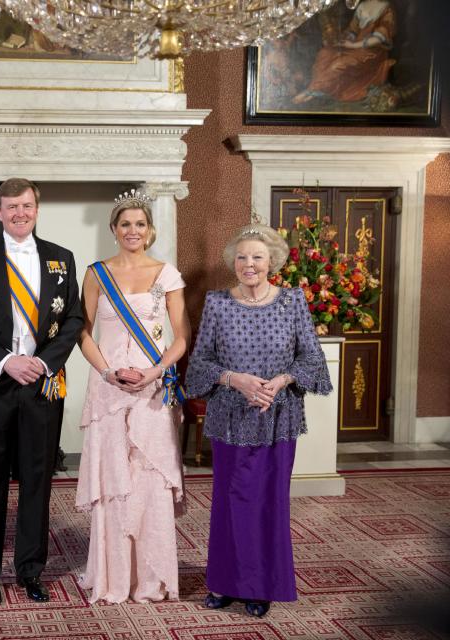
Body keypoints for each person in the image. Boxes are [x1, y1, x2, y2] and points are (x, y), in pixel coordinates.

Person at [186, 223, 333, 618]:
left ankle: (261, 586)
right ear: (232, 263)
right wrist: (237, 380)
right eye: (241, 257)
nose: (249, 264)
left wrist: (281, 381)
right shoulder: (217, 303)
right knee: (230, 503)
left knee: (268, 504)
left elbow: (312, 359)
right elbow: (199, 366)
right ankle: (223, 582)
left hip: (277, 417)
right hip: (231, 418)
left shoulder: (292, 301)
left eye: (257, 257)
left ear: (272, 262)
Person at [0, 177, 84, 607]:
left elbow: (73, 321)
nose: (19, 213)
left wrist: (44, 363)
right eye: (11, 207)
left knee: (36, 482)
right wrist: (6, 360)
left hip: (43, 386)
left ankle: (30, 569)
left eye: (26, 205)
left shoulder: (61, 259)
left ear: (37, 207)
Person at [74, 190, 190, 603]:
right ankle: (112, 576)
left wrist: (155, 371)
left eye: (140, 224)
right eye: (125, 224)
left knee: (148, 476)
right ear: (114, 229)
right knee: (114, 480)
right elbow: (82, 332)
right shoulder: (95, 273)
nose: (133, 231)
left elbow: (181, 336)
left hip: (151, 388)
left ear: (150, 230)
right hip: (108, 388)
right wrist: (107, 371)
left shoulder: (167, 274)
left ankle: (152, 577)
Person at [292, 0, 397, 104]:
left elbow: (381, 37)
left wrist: (353, 45)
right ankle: (316, 90)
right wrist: (338, 40)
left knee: (338, 64)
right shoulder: (362, 5)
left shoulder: (386, 7)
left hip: (372, 52)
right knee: (325, 53)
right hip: (355, 46)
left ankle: (312, 92)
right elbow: (353, 31)